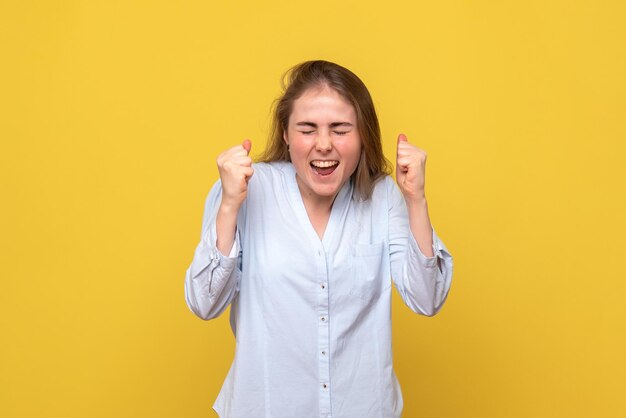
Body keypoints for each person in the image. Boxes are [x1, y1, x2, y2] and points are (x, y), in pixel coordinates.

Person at [185, 60, 454, 418]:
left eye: (341, 129)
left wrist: (416, 199)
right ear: (285, 133)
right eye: (307, 129)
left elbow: (427, 298)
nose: (323, 144)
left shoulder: (384, 197)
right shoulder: (246, 190)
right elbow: (204, 304)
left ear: (362, 137)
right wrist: (230, 205)